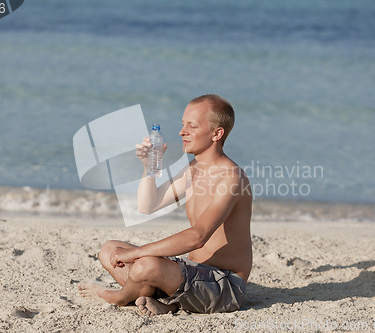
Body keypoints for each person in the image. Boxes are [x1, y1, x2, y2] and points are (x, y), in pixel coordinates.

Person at [78, 94, 253, 315]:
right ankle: (167, 303)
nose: (182, 132)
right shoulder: (193, 170)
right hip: (191, 274)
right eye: (183, 124)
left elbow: (197, 237)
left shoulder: (231, 177)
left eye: (192, 126)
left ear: (217, 133)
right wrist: (149, 168)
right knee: (109, 250)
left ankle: (117, 297)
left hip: (225, 286)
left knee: (145, 264)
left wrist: (137, 254)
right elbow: (148, 205)